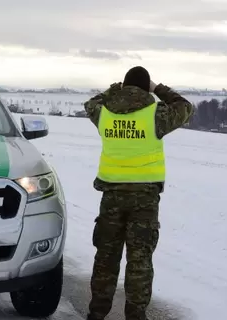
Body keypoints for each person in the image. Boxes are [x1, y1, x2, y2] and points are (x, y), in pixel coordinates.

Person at [83, 66, 194, 320]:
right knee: (139, 261)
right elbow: (185, 106)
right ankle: (136, 315)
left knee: (106, 259)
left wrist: (114, 89)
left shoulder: (105, 113)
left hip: (111, 197)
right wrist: (158, 89)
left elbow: (91, 102)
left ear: (124, 86)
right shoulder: (156, 115)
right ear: (146, 88)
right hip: (144, 199)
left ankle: (96, 314)